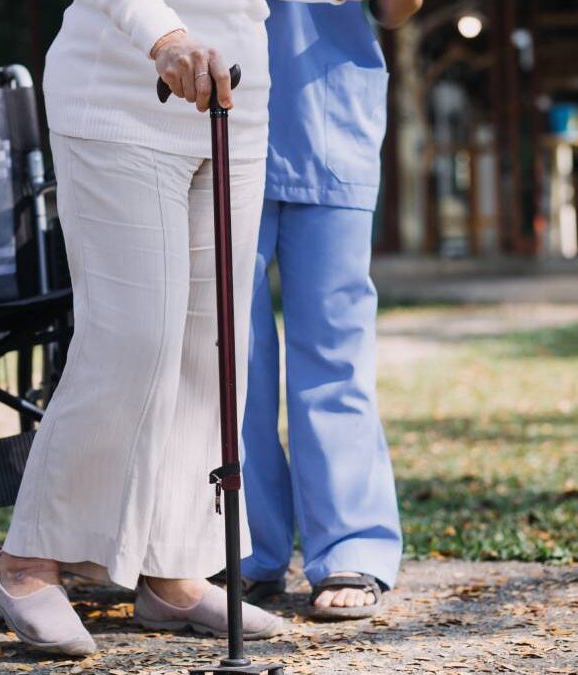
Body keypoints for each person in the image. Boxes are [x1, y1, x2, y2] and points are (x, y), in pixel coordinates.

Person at [0, 0, 285, 656]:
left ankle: (171, 566)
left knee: (213, 349)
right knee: (132, 340)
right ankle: (25, 561)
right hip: (120, 95)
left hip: (236, 99)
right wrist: (164, 35)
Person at [240, 0, 422, 619]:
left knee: (335, 348)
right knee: (227, 355)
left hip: (329, 115)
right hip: (215, 121)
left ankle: (352, 544)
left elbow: (396, 11)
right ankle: (239, 547)